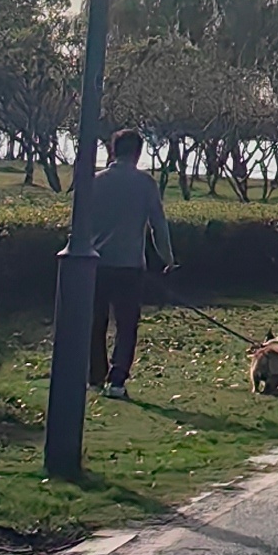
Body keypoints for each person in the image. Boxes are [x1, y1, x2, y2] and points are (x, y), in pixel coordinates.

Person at [86, 125, 175, 393]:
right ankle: (117, 378)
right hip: (130, 264)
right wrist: (167, 257)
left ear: (113, 150)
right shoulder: (145, 183)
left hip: (97, 262)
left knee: (95, 322)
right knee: (127, 326)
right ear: (138, 154)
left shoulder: (95, 181)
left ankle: (95, 376)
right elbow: (158, 224)